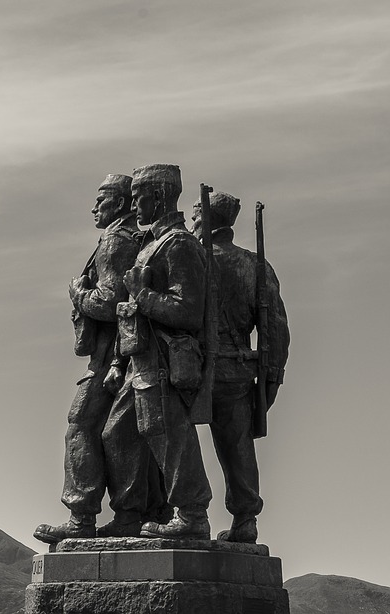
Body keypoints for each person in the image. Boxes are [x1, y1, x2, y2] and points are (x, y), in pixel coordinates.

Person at [102, 163, 214, 540]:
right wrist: (119, 359)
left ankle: (193, 514)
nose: (134, 206)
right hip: (139, 359)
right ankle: (130, 514)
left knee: (169, 434)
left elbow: (187, 311)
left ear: (161, 197)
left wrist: (143, 294)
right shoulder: (152, 243)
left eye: (139, 198)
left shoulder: (179, 244)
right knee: (118, 434)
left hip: (165, 361)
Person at [34, 174, 145, 544]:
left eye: (103, 199)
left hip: (113, 356)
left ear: (120, 203)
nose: (94, 207)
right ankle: (131, 514)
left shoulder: (115, 239)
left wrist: (78, 294)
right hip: (125, 354)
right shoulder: (132, 236)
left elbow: (110, 301)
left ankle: (81, 517)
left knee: (80, 423)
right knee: (123, 434)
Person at [192, 191, 290, 543]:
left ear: (206, 219)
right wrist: (272, 377)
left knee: (175, 439)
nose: (191, 221)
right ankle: (245, 519)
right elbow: (275, 329)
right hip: (237, 371)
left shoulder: (194, 260)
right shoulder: (255, 265)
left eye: (195, 215)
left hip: (193, 371)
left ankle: (184, 513)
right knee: (238, 447)